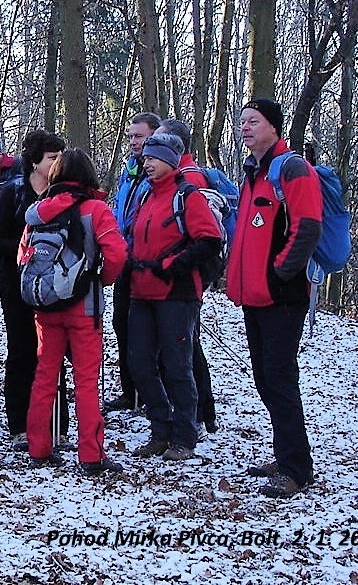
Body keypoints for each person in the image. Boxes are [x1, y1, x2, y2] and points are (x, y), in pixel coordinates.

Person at [226, 98, 321, 498]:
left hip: (282, 297)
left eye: (254, 121)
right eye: (242, 121)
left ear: (273, 127)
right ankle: (287, 456)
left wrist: (280, 273)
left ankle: (296, 469)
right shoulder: (254, 171)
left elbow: (308, 227)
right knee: (266, 379)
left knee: (279, 380)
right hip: (255, 296)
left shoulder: (292, 169)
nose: (245, 127)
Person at [22, 149, 127, 474]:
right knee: (86, 382)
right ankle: (91, 456)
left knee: (44, 377)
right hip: (85, 308)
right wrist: (101, 281)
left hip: (46, 305)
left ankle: (38, 448)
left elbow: (24, 257)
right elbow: (117, 254)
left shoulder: (38, 212)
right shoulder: (95, 210)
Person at [127, 133, 221, 462]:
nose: (147, 163)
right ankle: (160, 429)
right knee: (139, 363)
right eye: (146, 158)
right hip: (141, 291)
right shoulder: (146, 195)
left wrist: (172, 266)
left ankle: (184, 436)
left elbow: (210, 240)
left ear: (170, 160)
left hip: (176, 294)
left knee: (177, 366)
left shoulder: (188, 196)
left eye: (154, 158)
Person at [0, 129, 65, 452]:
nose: (58, 163)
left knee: (53, 353)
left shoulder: (63, 194)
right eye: (52, 157)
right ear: (35, 161)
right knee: (21, 352)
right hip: (18, 285)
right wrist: (31, 249)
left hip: (55, 286)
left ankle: (56, 424)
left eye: (60, 157)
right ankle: (19, 425)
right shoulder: (13, 193)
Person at [154, 119, 218, 435]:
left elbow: (205, 237)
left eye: (156, 141)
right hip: (167, 283)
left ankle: (199, 415)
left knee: (186, 351)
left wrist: (176, 265)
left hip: (182, 283)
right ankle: (197, 413)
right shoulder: (160, 178)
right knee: (184, 348)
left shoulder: (189, 180)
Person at [105, 112, 161, 412]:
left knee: (150, 332)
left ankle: (153, 394)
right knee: (122, 324)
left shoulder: (160, 171)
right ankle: (130, 391)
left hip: (148, 262)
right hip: (124, 258)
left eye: (139, 136)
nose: (133, 142)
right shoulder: (129, 171)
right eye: (130, 136)